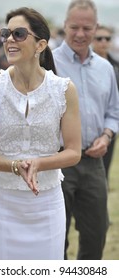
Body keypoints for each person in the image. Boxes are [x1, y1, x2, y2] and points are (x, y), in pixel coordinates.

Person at [0, 7, 81, 260]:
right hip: (1, 203)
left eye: (18, 34)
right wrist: (14, 165)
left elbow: (74, 152)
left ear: (40, 44)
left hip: (47, 205)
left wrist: (40, 163)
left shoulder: (64, 90)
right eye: (6, 33)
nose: (9, 39)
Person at [53, 0, 119, 260]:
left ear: (96, 27)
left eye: (87, 28)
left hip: (94, 163)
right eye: (74, 27)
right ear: (64, 26)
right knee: (57, 237)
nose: (80, 34)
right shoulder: (47, 63)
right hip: (56, 162)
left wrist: (106, 136)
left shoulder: (105, 69)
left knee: (97, 233)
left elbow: (113, 112)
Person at [92, 25, 119, 184]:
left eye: (106, 38)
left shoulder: (116, 67)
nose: (103, 42)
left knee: (105, 168)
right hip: (86, 124)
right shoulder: (82, 64)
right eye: (99, 38)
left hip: (109, 125)